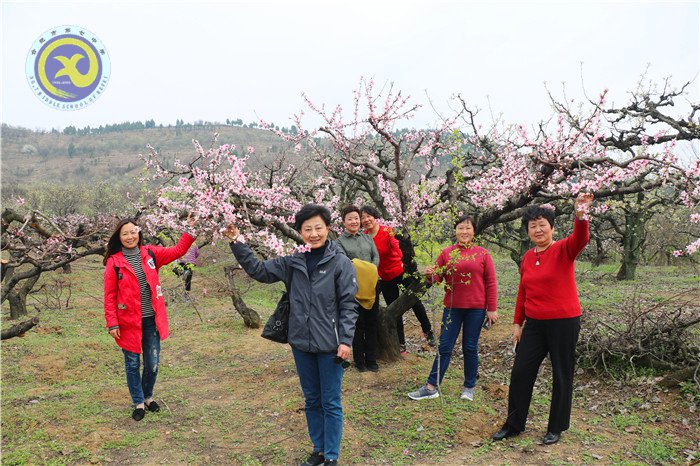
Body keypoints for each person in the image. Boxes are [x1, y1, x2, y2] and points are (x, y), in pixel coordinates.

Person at [225, 204, 358, 466]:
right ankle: (318, 450)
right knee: (311, 400)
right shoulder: (293, 261)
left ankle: (331, 456)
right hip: (301, 342)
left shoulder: (340, 263)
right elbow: (259, 271)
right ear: (300, 232)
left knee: (330, 402)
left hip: (331, 345)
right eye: (308, 229)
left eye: (319, 227)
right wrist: (238, 241)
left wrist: (346, 340)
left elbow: (349, 305)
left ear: (328, 228)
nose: (314, 233)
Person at [492, 193, 594, 445]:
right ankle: (514, 424)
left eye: (542, 225)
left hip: (564, 321)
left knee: (562, 374)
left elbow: (581, 238)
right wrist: (518, 323)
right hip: (535, 324)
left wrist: (580, 213)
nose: (538, 230)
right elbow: (523, 292)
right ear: (527, 230)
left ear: (551, 228)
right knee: (521, 372)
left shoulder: (564, 249)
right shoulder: (527, 257)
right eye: (532, 226)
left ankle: (556, 427)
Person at [103, 216, 196, 421]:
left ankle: (148, 396)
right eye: (124, 233)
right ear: (119, 237)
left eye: (132, 232)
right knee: (133, 363)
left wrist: (190, 229)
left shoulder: (151, 254)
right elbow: (109, 296)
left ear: (139, 232)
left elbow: (178, 251)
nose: (130, 236)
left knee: (152, 363)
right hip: (128, 323)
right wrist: (112, 322)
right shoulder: (114, 262)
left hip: (151, 320)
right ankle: (138, 402)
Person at [408, 214, 498, 401]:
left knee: (470, 347)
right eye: (460, 228)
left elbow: (491, 282)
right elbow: (436, 278)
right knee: (445, 346)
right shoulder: (446, 253)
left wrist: (492, 308)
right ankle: (431, 386)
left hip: (476, 308)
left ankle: (469, 387)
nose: (464, 232)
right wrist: (429, 275)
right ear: (455, 231)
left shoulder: (483, 253)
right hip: (452, 308)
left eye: (468, 228)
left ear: (474, 231)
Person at [360, 205, 435, 353]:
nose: (366, 219)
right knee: (395, 309)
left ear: (375, 216)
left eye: (368, 216)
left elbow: (397, 245)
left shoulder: (387, 230)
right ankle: (401, 343)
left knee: (415, 301)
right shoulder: (364, 237)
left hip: (400, 271)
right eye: (363, 217)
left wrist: (402, 258)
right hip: (385, 278)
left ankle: (428, 331)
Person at [335, 205, 380, 372]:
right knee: (357, 324)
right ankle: (359, 361)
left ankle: (372, 359)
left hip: (373, 285)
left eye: (356, 218)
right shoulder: (339, 242)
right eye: (350, 219)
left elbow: (376, 256)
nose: (354, 221)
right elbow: (345, 263)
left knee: (372, 323)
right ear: (343, 222)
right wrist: (365, 273)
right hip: (353, 288)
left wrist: (371, 272)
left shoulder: (367, 238)